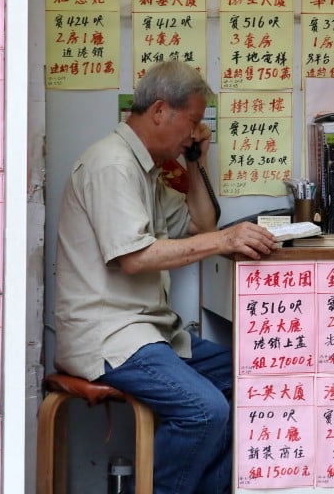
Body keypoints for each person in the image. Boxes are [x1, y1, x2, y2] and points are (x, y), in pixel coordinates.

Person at [53, 60, 280, 493]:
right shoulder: (111, 165)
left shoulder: (148, 172)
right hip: (109, 337)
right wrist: (226, 240)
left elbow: (202, 224)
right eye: (192, 121)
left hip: (149, 333)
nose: (194, 133)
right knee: (205, 410)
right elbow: (136, 258)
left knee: (249, 379)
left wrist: (196, 161)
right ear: (160, 111)